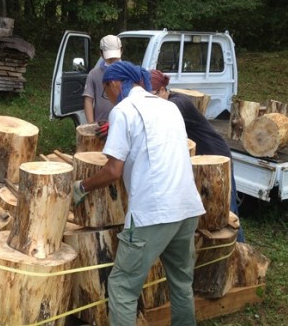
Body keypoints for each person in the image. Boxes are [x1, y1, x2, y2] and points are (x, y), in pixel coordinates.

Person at [73, 61, 205, 326]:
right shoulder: (169, 107)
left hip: (153, 213)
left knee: (122, 286)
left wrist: (83, 187)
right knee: (181, 283)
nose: (107, 98)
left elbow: (113, 170)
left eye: (106, 92)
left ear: (114, 84)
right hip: (188, 207)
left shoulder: (123, 110)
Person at [150, 69, 245, 242]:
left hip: (216, 157)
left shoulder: (178, 103)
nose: (150, 102)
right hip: (198, 160)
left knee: (226, 211)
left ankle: (240, 250)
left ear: (163, 90)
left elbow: (156, 115)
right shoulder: (165, 102)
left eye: (152, 95)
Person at [82, 34, 122, 124]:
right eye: (109, 56)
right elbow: (88, 99)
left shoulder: (128, 72)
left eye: (115, 55)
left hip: (123, 125)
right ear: (101, 53)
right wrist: (91, 124)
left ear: (121, 51)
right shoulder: (94, 74)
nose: (112, 58)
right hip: (100, 125)